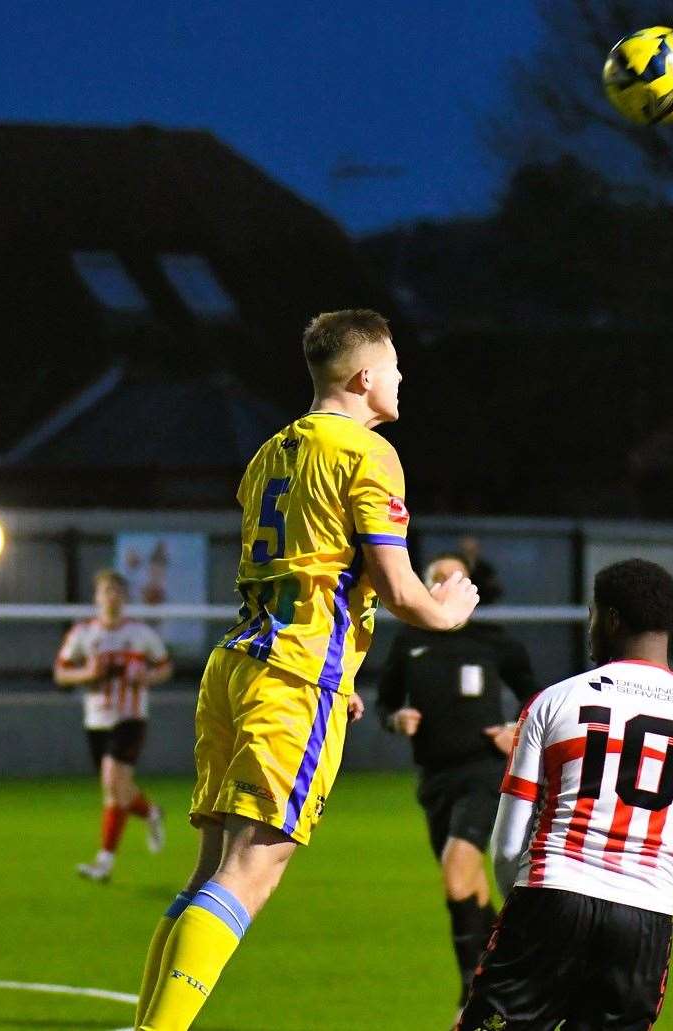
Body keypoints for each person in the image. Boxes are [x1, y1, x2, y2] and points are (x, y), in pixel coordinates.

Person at [133, 309, 479, 1031]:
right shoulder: (367, 452)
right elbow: (396, 583)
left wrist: (343, 673)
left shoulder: (269, 453)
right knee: (254, 866)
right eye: (393, 367)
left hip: (238, 663)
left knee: (208, 871)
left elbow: (305, 567)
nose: (402, 378)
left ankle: (146, 1021)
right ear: (363, 377)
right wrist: (447, 609)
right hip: (290, 676)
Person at [457, 558, 673, 1031]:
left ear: (610, 619)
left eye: (594, 615)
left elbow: (508, 847)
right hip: (644, 918)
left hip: (550, 897)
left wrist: (528, 914)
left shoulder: (554, 701)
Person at [377, 551, 539, 1010]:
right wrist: (397, 719)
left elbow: (539, 700)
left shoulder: (493, 641)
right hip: (434, 778)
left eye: (457, 578)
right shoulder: (408, 642)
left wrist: (517, 730)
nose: (448, 584)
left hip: (485, 773)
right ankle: (511, 972)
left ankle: (474, 993)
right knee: (470, 887)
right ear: (426, 587)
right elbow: (387, 704)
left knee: (456, 872)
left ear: (470, 589)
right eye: (438, 578)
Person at [54, 568, 172, 883]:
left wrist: (145, 677)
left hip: (130, 717)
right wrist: (86, 676)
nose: (111, 597)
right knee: (115, 790)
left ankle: (104, 863)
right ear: (97, 597)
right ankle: (151, 813)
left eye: (117, 591)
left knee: (113, 781)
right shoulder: (83, 634)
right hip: (96, 719)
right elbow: (62, 673)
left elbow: (164, 667)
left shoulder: (140, 634)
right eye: (106, 591)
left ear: (125, 597)